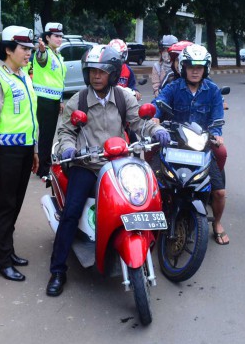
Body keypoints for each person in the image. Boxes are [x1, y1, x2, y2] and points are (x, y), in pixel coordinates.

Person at [46, 45, 169, 297]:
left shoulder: (124, 97)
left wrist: (156, 130)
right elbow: (66, 132)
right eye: (92, 71)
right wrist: (68, 148)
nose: (96, 76)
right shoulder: (78, 100)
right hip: (87, 165)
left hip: (118, 165)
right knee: (71, 213)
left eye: (102, 71)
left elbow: (138, 122)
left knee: (141, 201)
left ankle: (138, 247)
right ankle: (57, 270)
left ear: (113, 73)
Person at [152, 44, 230, 245]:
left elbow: (217, 119)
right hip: (173, 143)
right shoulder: (172, 87)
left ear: (206, 69)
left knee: (219, 192)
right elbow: (158, 104)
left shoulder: (212, 90)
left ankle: (217, 223)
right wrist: (154, 117)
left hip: (201, 146)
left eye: (199, 67)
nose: (195, 71)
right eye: (191, 67)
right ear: (183, 67)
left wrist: (216, 135)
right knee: (151, 182)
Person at [0, 25, 39, 282]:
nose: (28, 53)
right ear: (8, 50)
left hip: (24, 151)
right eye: (24, 49)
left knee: (14, 205)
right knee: (3, 207)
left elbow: (30, 117)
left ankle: (8, 250)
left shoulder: (23, 76)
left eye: (29, 49)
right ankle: (0, 261)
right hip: (5, 154)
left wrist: (34, 150)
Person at [32, 22, 67, 179]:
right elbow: (41, 58)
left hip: (53, 100)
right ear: (47, 37)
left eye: (61, 36)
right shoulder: (45, 53)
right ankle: (43, 169)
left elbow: (59, 80)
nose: (59, 39)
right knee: (46, 136)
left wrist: (60, 100)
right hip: (43, 100)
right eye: (56, 36)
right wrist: (41, 50)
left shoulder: (57, 55)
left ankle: (43, 164)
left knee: (48, 134)